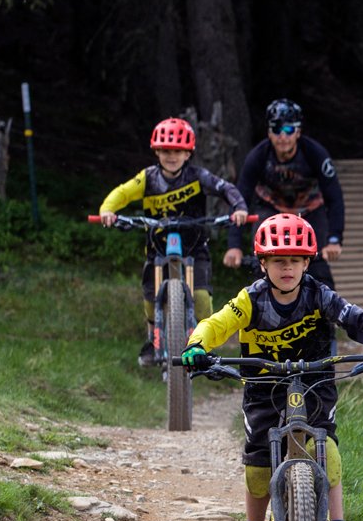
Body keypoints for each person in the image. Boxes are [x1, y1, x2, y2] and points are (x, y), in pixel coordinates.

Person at [182, 213, 363, 521]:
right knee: (257, 466)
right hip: (262, 385)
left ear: (307, 262)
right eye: (278, 261)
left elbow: (357, 319)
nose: (287, 268)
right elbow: (217, 323)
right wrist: (197, 345)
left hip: (315, 380)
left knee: (327, 450)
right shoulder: (250, 299)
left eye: (295, 260)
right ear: (263, 263)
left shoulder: (319, 294)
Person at [100, 117, 252, 366]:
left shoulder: (198, 176)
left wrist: (239, 207)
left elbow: (225, 188)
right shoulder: (148, 178)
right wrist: (108, 209)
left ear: (188, 153)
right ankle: (153, 339)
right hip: (157, 247)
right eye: (166, 151)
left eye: (178, 151)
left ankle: (203, 345)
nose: (171, 156)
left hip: (195, 246)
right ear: (157, 151)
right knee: (149, 298)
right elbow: (123, 192)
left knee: (202, 300)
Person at [222, 99, 345, 288]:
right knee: (261, 265)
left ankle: (327, 314)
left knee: (318, 268)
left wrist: (334, 239)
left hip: (310, 210)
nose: (282, 136)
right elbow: (241, 200)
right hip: (271, 209)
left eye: (288, 130)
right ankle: (259, 311)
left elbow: (334, 196)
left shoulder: (315, 153)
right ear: (269, 133)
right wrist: (234, 246)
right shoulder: (258, 156)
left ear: (298, 132)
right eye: (276, 130)